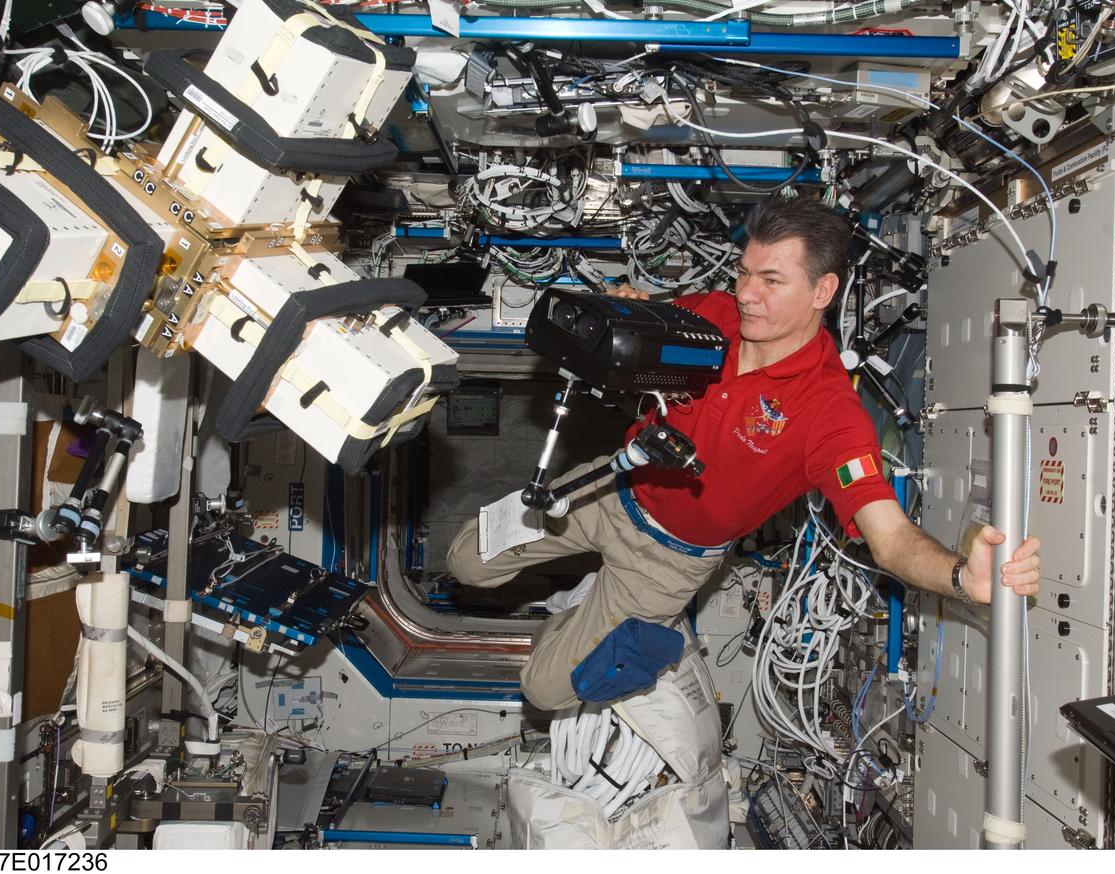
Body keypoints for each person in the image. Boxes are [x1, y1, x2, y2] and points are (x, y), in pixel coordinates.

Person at [446, 196, 1042, 711]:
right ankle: (589, 606)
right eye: (744, 272)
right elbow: (636, 346)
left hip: (667, 563)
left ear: (823, 291)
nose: (747, 295)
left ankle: (605, 622)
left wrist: (962, 577)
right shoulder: (713, 314)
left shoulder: (829, 412)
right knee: (465, 563)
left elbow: (889, 538)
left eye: (772, 281)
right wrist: (625, 310)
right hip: (608, 490)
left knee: (544, 691)